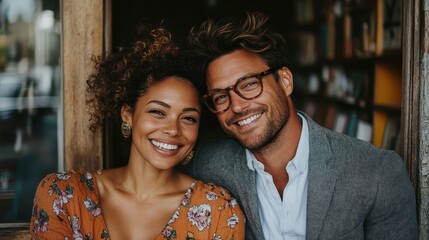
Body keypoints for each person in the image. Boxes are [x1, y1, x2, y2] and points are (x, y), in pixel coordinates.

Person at [185, 11, 418, 240]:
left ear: (285, 81)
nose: (236, 106)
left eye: (248, 85)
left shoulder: (377, 172)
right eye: (220, 97)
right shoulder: (205, 166)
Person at [29, 24, 245, 240]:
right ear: (128, 114)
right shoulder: (63, 195)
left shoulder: (218, 211)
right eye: (158, 112)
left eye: (188, 118)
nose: (172, 129)